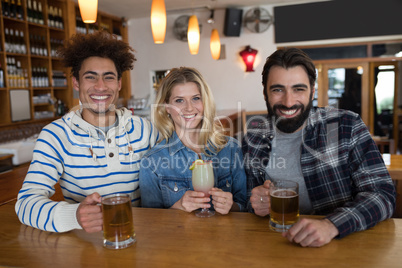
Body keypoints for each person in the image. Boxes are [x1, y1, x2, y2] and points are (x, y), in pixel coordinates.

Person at [242, 47, 396, 247]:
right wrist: (255, 203)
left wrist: (332, 224)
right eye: (278, 89)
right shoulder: (253, 138)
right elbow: (247, 199)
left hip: (342, 243)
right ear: (265, 93)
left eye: (299, 89)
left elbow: (383, 194)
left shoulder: (346, 125)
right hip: (277, 244)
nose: (288, 101)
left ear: (312, 91)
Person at [15, 31, 159, 233]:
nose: (100, 87)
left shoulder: (145, 129)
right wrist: (73, 215)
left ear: (119, 84)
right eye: (90, 77)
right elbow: (26, 203)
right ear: (76, 83)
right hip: (86, 247)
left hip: (142, 238)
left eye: (108, 78)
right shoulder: (55, 136)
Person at [139, 67, 247, 214]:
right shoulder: (151, 162)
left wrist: (232, 206)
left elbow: (245, 207)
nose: (189, 108)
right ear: (167, 108)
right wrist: (178, 207)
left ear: (205, 102)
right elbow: (150, 222)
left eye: (196, 98)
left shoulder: (231, 148)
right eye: (179, 101)